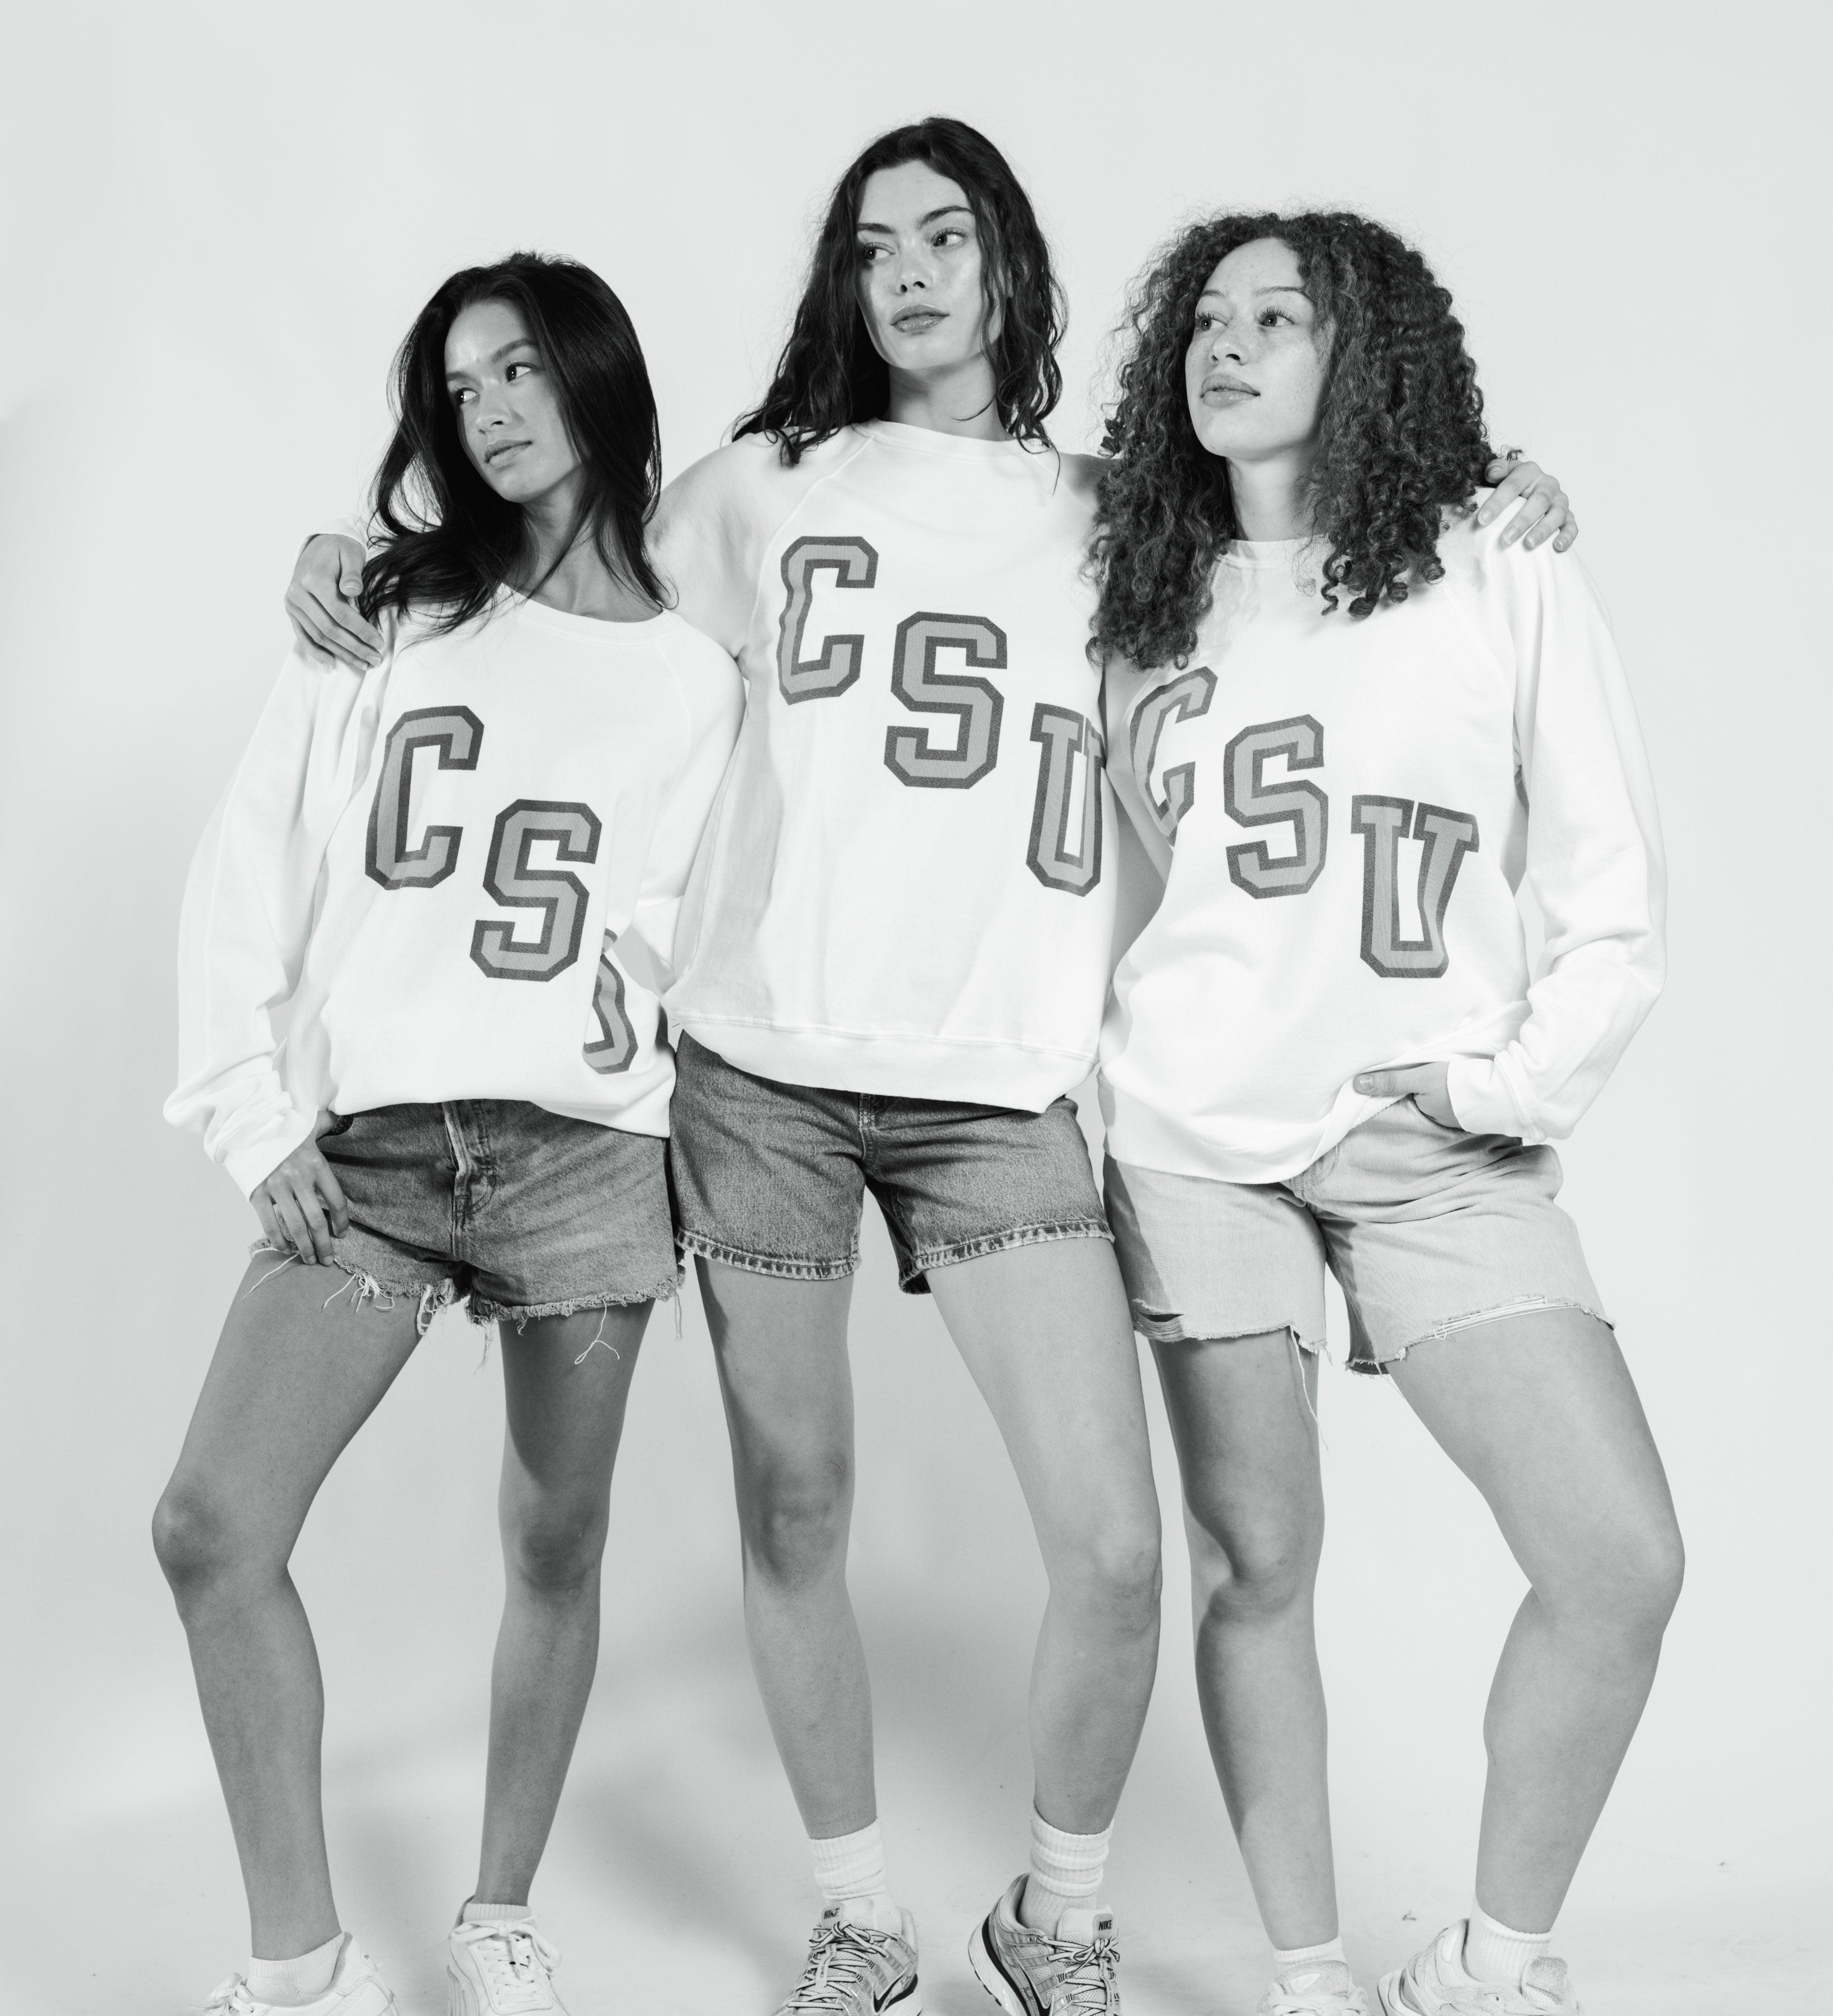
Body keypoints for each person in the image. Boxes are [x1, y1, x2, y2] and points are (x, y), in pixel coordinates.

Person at [282, 126, 1577, 2016]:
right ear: (839, 276)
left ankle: (1055, 1909)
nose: (907, 270)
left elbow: (1324, 532)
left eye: (944, 234)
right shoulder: (751, 490)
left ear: (1008, 266)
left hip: (1004, 1089)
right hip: (759, 1081)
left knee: (1119, 1547)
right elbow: (556, 593)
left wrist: (1496, 487)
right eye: (871, 241)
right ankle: (854, 1908)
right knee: (795, 1506)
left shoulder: (1119, 510)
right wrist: (362, 558)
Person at [1090, 211, 1681, 2016]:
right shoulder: (1125, 596)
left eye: (1282, 314)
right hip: (1193, 1139)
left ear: (1372, 356)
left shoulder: (1491, 559)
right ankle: (1304, 1973)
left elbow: (1610, 899)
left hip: (1434, 1141)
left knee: (1616, 1558)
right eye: (1204, 316)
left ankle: (1496, 1963)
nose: (1228, 341)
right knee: (1258, 1559)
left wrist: (1493, 1081)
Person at [157, 253, 742, 2016]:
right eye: (459, 383)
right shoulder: (384, 616)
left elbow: (690, 946)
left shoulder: (696, 683)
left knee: (554, 1541)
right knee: (212, 1526)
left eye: (516, 372)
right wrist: (256, 1119)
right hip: (380, 1160)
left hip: (587, 1160)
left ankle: (498, 1915)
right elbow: (247, 862)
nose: (486, 409)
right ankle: (302, 1966)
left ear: (594, 380)